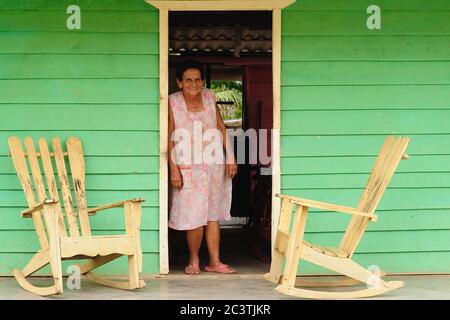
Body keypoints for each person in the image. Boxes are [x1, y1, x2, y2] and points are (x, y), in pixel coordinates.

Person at [168, 59, 238, 275]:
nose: (194, 83)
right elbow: (169, 137)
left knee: (212, 213)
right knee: (193, 213)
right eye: (188, 79)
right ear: (179, 82)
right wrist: (173, 168)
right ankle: (194, 258)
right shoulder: (172, 102)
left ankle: (215, 262)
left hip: (213, 164)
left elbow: (221, 127)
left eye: (197, 79)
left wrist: (231, 157)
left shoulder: (209, 97)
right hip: (187, 165)